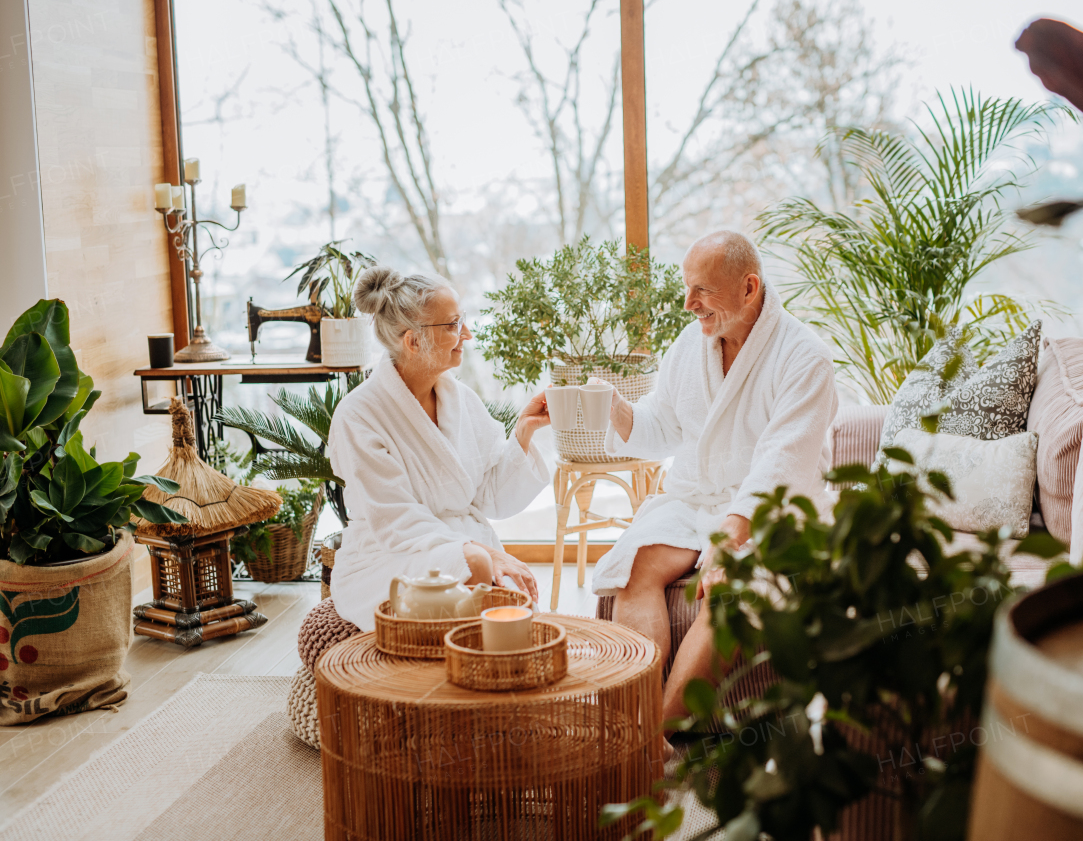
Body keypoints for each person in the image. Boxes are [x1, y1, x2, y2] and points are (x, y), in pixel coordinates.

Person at [592, 230, 838, 721]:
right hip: (695, 498)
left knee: (726, 590)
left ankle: (654, 737)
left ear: (749, 287)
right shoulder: (691, 345)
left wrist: (728, 543)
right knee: (635, 567)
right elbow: (662, 426)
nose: (688, 304)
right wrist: (613, 407)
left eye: (701, 290)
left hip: (769, 511)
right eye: (688, 288)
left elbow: (780, 466)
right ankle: (637, 722)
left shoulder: (804, 357)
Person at [327, 266, 549, 632]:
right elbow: (395, 521)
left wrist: (524, 431)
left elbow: (492, 499)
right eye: (452, 325)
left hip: (462, 544)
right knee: (477, 567)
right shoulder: (359, 415)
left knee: (516, 613)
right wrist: (484, 555)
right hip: (389, 557)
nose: (467, 334)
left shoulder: (460, 399)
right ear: (412, 341)